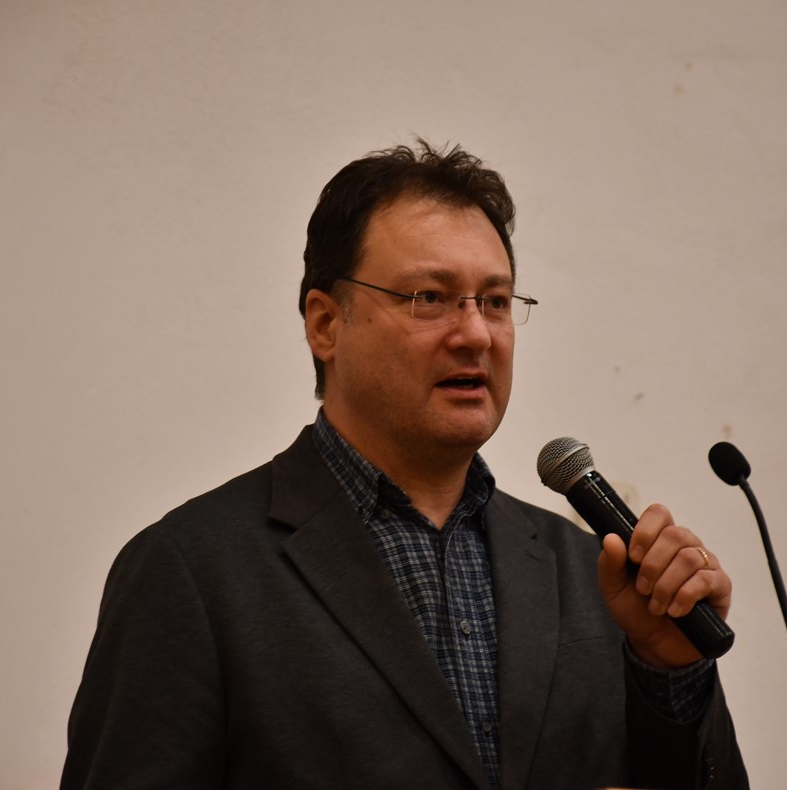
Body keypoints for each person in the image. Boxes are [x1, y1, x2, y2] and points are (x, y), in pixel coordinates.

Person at [61, 140, 748, 789]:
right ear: (325, 324)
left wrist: (670, 671)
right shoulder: (191, 571)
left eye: (495, 302)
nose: (475, 333)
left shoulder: (593, 573)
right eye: (429, 298)